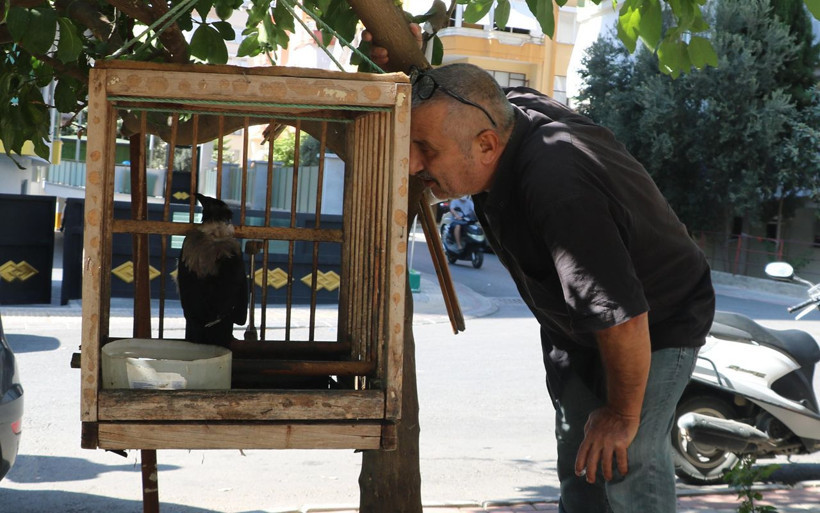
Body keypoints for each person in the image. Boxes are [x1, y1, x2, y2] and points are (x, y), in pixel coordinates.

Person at [367, 29, 715, 511]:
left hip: (656, 322)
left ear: (487, 146)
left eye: (426, 150)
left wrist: (619, 412)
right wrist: (408, 62)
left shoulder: (559, 185)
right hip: (578, 330)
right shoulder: (499, 114)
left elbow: (623, 316)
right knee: (581, 468)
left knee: (626, 457)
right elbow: (463, 95)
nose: (413, 165)